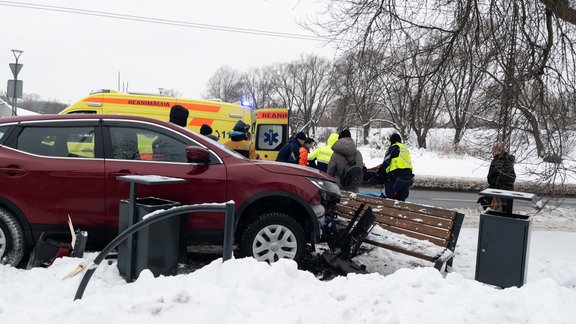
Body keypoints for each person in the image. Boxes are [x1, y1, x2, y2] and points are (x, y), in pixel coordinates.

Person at [375, 133, 414, 201]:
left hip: (397, 177)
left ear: (392, 141)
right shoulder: (404, 149)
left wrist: (379, 174)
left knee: (390, 198)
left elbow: (386, 162)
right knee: (401, 201)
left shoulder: (393, 148)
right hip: (408, 178)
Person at [479, 142, 516, 212]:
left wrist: (496, 181)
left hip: (500, 192)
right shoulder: (506, 161)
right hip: (505, 192)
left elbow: (491, 177)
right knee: (505, 213)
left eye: (493, 150)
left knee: (497, 213)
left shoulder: (499, 161)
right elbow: (511, 177)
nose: (492, 152)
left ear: (498, 150)